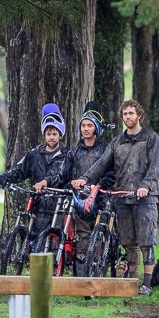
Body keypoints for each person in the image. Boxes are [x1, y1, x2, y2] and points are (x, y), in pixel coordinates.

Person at [72, 100, 159, 296]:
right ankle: (131, 283)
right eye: (125, 114)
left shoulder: (150, 138)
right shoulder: (117, 142)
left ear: (139, 115)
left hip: (145, 198)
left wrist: (145, 187)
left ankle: (146, 285)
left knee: (146, 242)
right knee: (129, 243)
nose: (128, 117)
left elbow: (156, 168)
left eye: (131, 113)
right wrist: (84, 178)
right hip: (122, 197)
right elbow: (101, 164)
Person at [46, 102, 116, 277]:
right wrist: (47, 183)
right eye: (83, 125)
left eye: (89, 126)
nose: (85, 129)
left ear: (96, 128)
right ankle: (80, 279)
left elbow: (113, 174)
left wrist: (100, 186)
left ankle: (99, 276)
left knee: (100, 242)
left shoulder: (105, 150)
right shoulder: (74, 151)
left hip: (101, 201)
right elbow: (62, 175)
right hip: (80, 204)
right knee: (82, 241)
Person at [0, 103, 69, 247]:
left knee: (55, 241)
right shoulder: (34, 154)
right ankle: (34, 263)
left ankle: (54, 266)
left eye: (55, 134)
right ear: (44, 134)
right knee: (36, 240)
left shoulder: (67, 155)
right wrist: (7, 177)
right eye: (48, 134)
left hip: (58, 205)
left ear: (60, 134)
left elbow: (61, 175)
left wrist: (47, 182)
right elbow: (20, 170)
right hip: (38, 204)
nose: (51, 137)